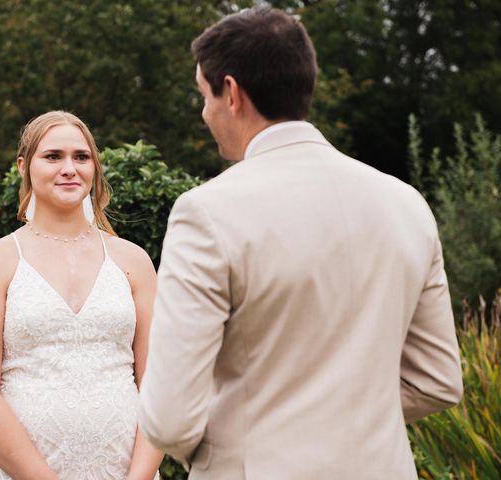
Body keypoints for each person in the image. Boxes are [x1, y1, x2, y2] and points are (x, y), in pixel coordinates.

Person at [138, 7, 463, 479]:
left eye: (202, 95)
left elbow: (169, 418)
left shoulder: (207, 212)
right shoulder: (407, 204)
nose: (203, 112)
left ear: (231, 92)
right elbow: (437, 380)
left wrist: (243, 438)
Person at [0, 111, 162, 480]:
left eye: (81, 157)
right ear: (23, 166)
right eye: (53, 157)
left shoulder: (134, 261)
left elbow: (160, 386)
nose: (69, 168)